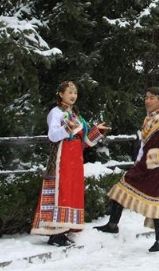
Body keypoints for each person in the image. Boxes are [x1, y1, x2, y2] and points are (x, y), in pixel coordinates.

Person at [95, 86, 159, 253]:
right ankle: (113, 224)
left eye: (152, 98)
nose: (148, 101)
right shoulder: (149, 119)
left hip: (157, 170)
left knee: (156, 202)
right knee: (121, 188)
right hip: (143, 166)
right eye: (146, 97)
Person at [31, 81, 108, 246]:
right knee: (62, 190)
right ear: (61, 94)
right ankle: (55, 232)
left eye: (75, 93)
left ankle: (66, 229)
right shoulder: (56, 113)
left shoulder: (76, 115)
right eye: (69, 92)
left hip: (75, 158)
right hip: (62, 157)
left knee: (72, 191)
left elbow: (85, 140)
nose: (73, 96)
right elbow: (52, 136)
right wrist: (67, 129)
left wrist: (97, 132)